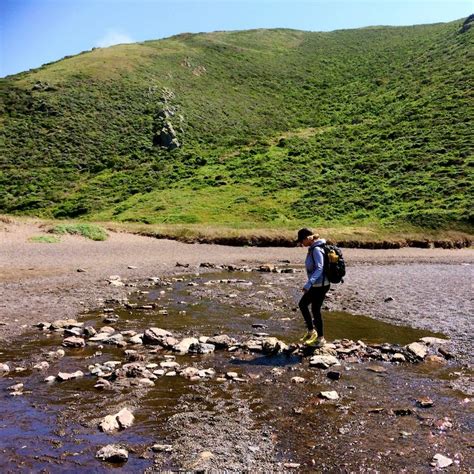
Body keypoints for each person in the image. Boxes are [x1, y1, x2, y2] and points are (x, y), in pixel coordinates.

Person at [296, 228, 330, 347]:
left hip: (320, 285)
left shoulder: (316, 249)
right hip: (317, 284)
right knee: (304, 305)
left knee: (313, 309)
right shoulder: (313, 248)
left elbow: (319, 268)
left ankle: (320, 338)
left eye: (302, 241)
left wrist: (308, 284)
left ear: (308, 238)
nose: (301, 244)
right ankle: (312, 332)